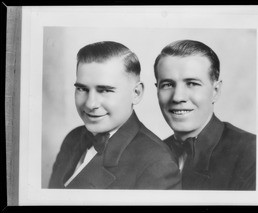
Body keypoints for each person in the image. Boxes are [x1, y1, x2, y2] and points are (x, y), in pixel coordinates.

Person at [49, 41, 181, 189]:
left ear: (136, 93)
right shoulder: (73, 138)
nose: (90, 104)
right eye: (82, 89)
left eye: (105, 90)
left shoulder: (157, 162)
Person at [154, 40, 256, 190]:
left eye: (192, 83)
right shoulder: (151, 153)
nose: (177, 97)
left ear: (215, 91)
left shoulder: (252, 153)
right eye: (168, 85)